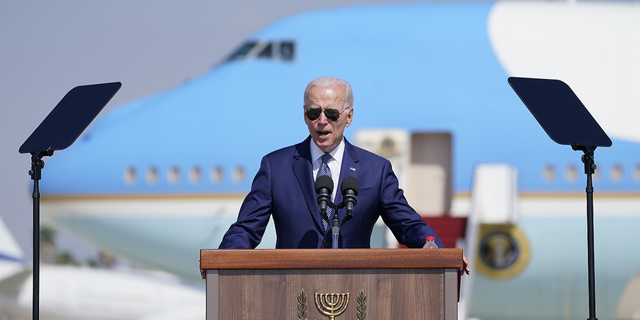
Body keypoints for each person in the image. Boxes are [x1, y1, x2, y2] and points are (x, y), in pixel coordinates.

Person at [219, 76, 469, 274]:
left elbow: (407, 224)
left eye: (331, 114)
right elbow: (246, 228)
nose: (322, 121)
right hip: (291, 291)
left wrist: (441, 253)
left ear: (348, 117)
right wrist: (220, 261)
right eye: (314, 113)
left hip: (356, 292)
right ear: (304, 115)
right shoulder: (276, 166)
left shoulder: (375, 169)